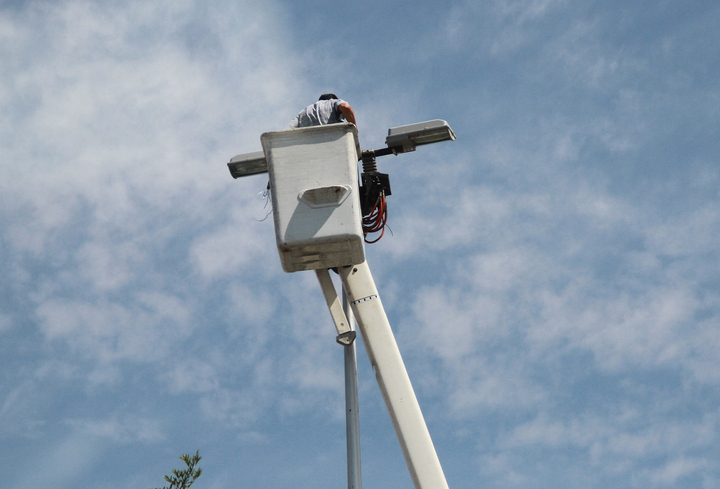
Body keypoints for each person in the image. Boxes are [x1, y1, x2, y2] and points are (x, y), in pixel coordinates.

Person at [286, 94, 357, 130]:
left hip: (310, 149)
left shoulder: (303, 111)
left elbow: (287, 130)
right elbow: (345, 107)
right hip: (333, 143)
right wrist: (354, 128)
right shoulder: (333, 102)